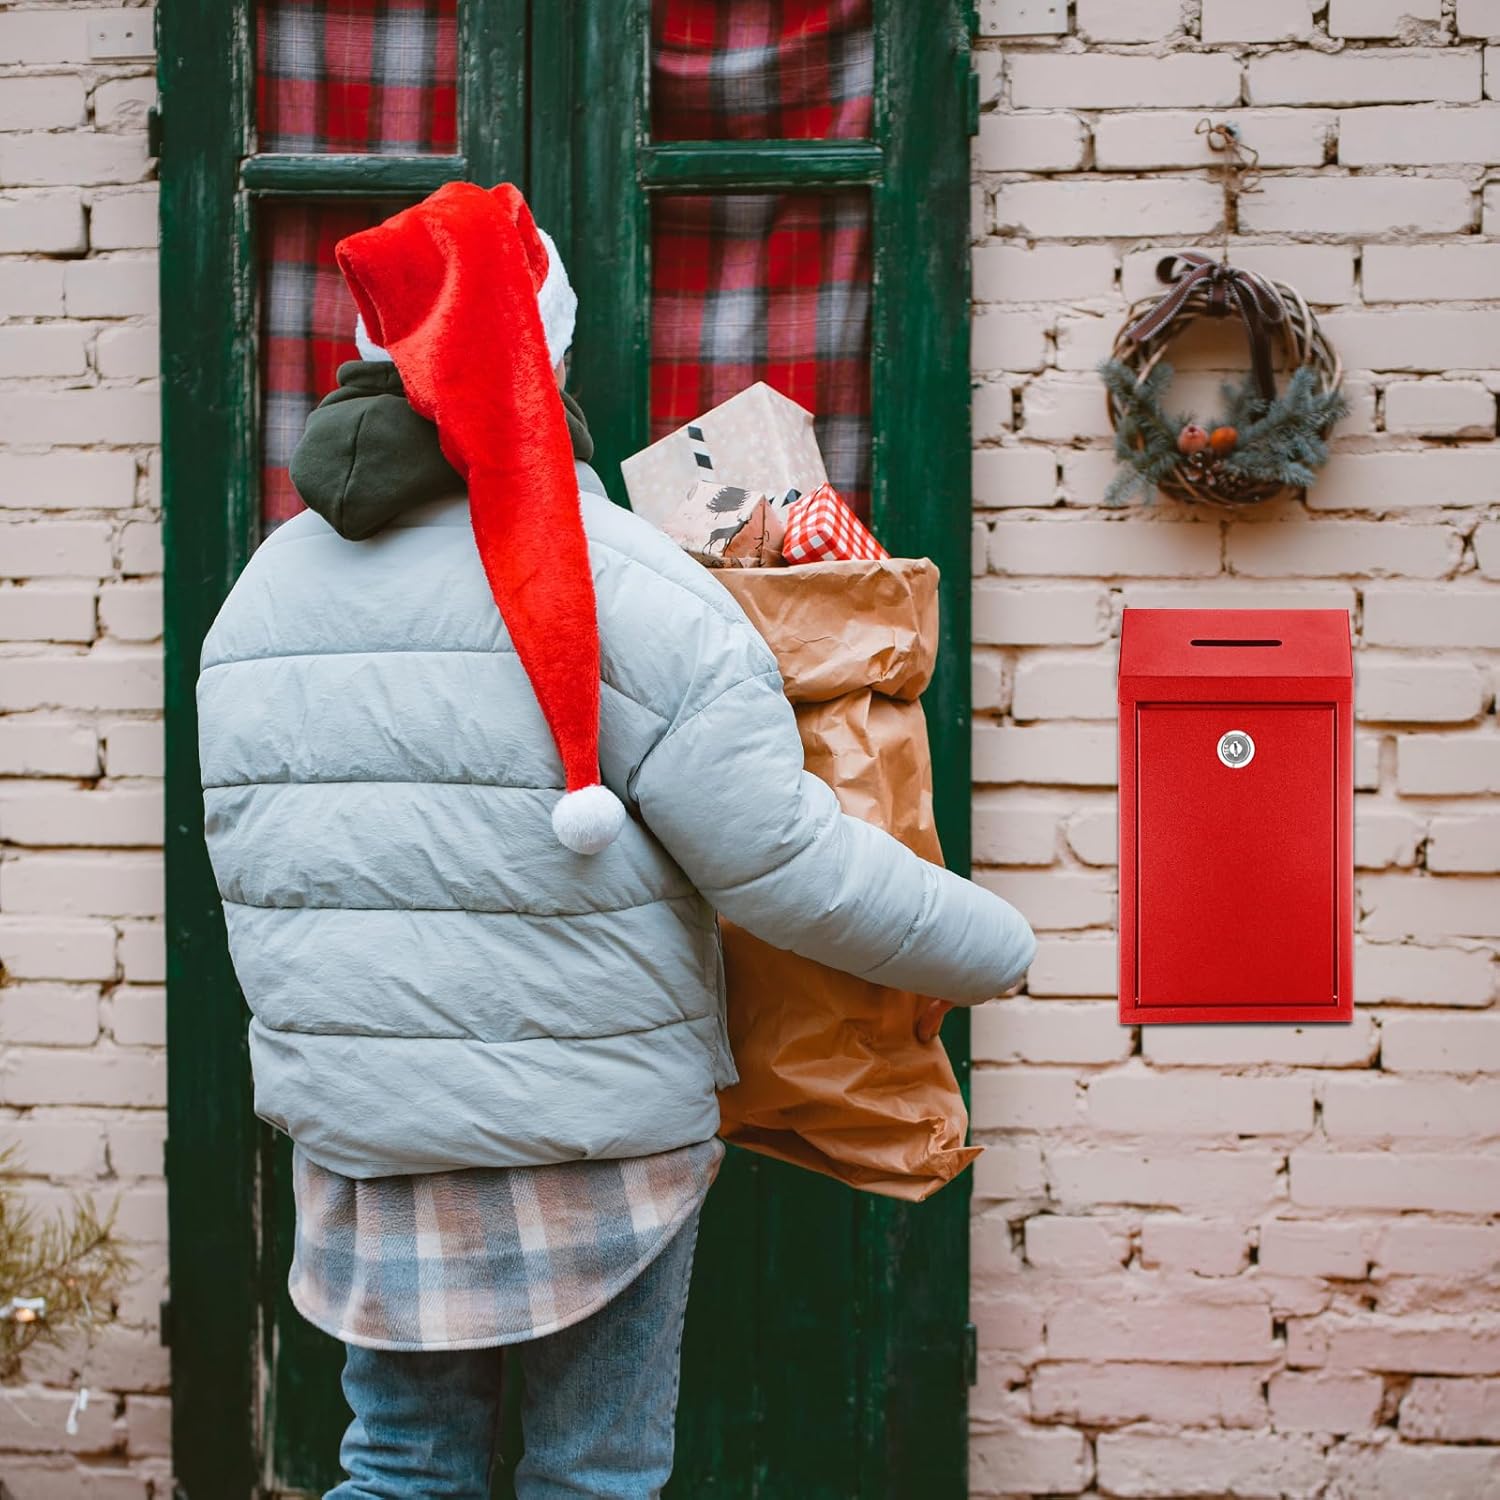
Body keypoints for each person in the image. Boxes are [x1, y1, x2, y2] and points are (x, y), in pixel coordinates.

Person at [198, 182, 1035, 1500]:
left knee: (400, 1465)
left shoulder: (261, 592)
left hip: (369, 1139)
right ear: (548, 349)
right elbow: (786, 866)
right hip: (587, 1143)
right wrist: (996, 946)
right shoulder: (630, 586)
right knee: (594, 1477)